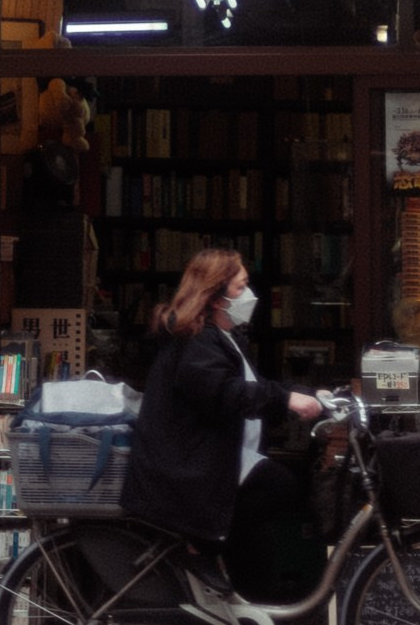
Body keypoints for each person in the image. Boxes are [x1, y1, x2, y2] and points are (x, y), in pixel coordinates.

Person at [120, 247, 325, 588]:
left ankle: (222, 578)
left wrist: (310, 395)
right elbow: (226, 393)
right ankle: (202, 548)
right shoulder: (196, 341)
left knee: (261, 520)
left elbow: (252, 387)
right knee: (281, 487)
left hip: (212, 455)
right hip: (190, 465)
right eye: (240, 287)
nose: (250, 295)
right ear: (216, 298)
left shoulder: (220, 337)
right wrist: (287, 398)